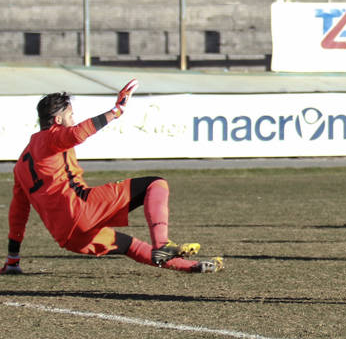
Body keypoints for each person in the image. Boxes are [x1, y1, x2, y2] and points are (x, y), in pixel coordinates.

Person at [1, 80, 223, 275]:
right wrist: (116, 110)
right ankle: (162, 243)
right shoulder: (51, 137)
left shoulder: (21, 164)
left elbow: (18, 213)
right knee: (156, 184)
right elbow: (78, 133)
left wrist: (12, 259)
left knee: (129, 245)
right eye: (70, 115)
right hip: (82, 209)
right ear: (58, 120)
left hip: (66, 236)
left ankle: (193, 266)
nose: (73, 119)